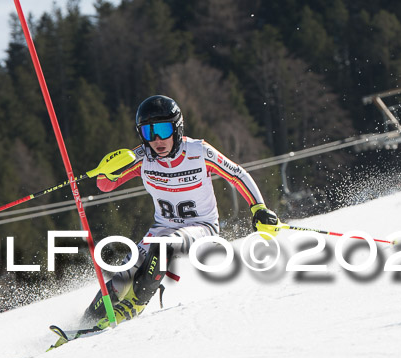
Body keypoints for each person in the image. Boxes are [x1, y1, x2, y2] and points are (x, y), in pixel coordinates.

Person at [80, 95, 282, 328]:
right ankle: (86, 322)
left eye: (164, 130)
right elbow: (105, 185)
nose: (157, 140)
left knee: (166, 243)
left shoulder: (198, 152)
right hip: (161, 228)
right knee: (124, 273)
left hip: (203, 229)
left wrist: (258, 207)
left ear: (177, 128)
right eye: (148, 132)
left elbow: (237, 174)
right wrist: (106, 169)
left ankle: (134, 305)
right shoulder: (143, 157)